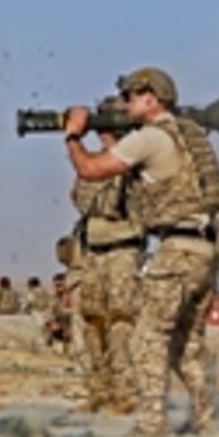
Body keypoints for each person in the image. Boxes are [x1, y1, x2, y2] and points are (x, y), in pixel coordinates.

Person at [63, 66, 219, 436]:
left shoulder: (150, 138)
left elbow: (90, 170)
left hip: (178, 251)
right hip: (205, 249)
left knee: (146, 340)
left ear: (151, 98)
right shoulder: (190, 134)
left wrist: (73, 137)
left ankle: (151, 426)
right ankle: (208, 423)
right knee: (187, 346)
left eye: (130, 97)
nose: (124, 104)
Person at [70, 110, 145, 414]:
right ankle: (98, 390)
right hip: (94, 249)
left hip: (123, 249)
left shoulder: (135, 160)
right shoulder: (98, 164)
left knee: (121, 320)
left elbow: (120, 203)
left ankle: (125, 393)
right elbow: (80, 199)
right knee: (91, 320)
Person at [45, 272, 73, 352]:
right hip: (61, 332)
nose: (57, 289)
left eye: (59, 286)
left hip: (75, 331)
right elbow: (48, 313)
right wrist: (51, 323)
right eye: (55, 286)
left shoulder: (74, 296)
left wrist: (73, 329)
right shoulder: (54, 299)